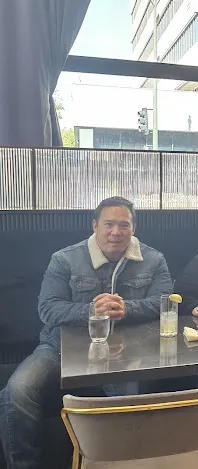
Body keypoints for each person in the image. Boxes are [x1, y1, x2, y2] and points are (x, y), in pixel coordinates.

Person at [0, 197, 172, 469]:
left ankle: (122, 463)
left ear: (134, 228)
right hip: (59, 348)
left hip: (126, 351)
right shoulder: (65, 259)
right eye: (109, 224)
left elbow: (165, 302)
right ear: (95, 226)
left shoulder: (153, 259)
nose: (116, 232)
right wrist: (91, 310)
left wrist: (127, 308)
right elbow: (47, 308)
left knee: (128, 399)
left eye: (124, 225)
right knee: (17, 390)